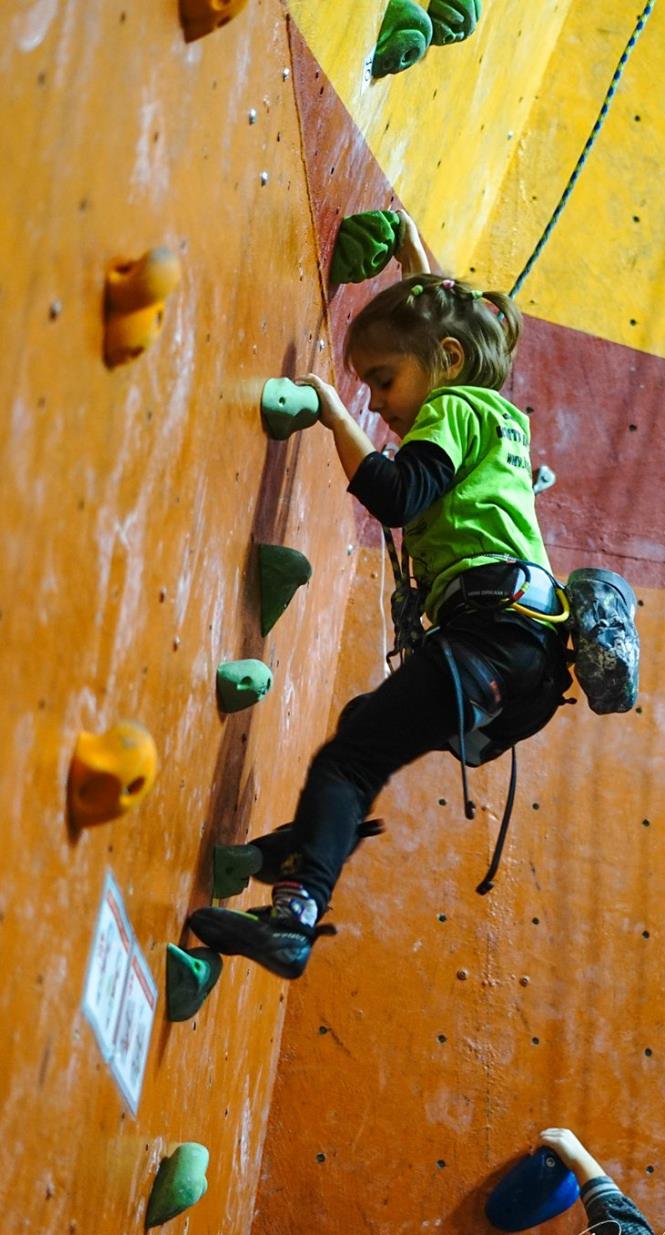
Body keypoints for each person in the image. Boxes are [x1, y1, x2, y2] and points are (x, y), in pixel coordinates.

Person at [190, 213, 571, 979]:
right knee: (371, 731)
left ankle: (296, 911)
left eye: (382, 383)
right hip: (528, 652)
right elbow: (440, 334)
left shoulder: (452, 410)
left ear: (444, 362)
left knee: (351, 761)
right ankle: (303, 846)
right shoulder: (494, 414)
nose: (379, 406)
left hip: (490, 631)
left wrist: (333, 413)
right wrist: (412, 258)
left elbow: (398, 493)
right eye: (366, 389)